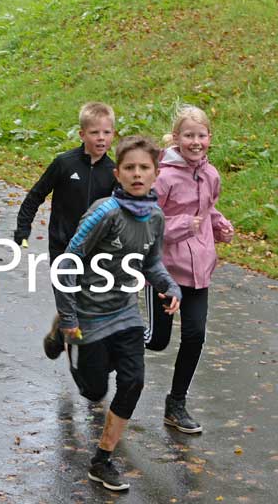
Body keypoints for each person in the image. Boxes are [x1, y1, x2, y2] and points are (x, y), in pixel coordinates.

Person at [54, 135, 181, 492]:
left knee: (133, 381)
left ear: (156, 174)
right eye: (130, 168)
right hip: (88, 314)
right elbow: (67, 264)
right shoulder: (104, 213)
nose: (137, 174)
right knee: (94, 392)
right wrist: (68, 317)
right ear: (118, 173)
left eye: (144, 168)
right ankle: (64, 339)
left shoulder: (155, 216)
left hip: (126, 313)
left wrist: (170, 287)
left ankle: (103, 459)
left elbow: (152, 261)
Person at [144, 106, 234, 434]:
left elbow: (205, 209)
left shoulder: (211, 175)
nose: (195, 142)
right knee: (157, 341)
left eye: (201, 135)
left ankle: (176, 404)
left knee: (195, 335)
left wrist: (218, 223)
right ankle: (110, 339)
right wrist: (184, 225)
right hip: (165, 270)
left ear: (209, 138)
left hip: (199, 270)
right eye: (188, 136)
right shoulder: (163, 176)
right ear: (177, 138)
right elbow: (147, 222)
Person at [12, 101, 117, 358]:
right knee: (70, 299)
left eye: (106, 132)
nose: (101, 138)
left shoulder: (114, 172)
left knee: (85, 303)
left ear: (113, 134)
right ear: (82, 134)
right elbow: (35, 195)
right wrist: (22, 229)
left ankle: (60, 332)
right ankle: (73, 351)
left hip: (95, 251)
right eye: (94, 132)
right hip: (63, 247)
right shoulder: (64, 164)